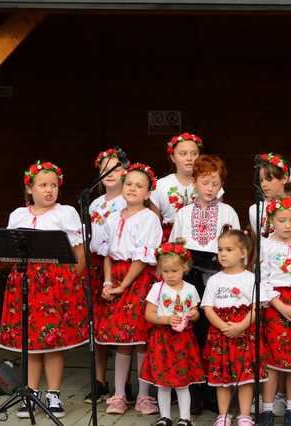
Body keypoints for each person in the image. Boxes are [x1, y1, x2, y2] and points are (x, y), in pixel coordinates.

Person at [0, 161, 87, 419]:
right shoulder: (18, 215)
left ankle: (54, 394)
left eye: (54, 185)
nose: (49, 190)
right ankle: (31, 393)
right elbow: (10, 250)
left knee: (52, 342)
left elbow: (79, 252)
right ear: (30, 189)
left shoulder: (66, 213)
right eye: (43, 185)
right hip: (26, 282)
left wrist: (71, 282)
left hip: (56, 284)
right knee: (30, 342)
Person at [169, 153, 239, 414]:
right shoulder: (184, 213)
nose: (211, 189)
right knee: (190, 336)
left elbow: (234, 247)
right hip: (190, 281)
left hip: (217, 281)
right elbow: (175, 248)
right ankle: (193, 392)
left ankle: (214, 392)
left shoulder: (228, 211)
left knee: (214, 336)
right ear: (195, 182)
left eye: (216, 183)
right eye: (205, 182)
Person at [95, 163, 163, 416]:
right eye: (129, 184)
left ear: (147, 193)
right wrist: (107, 282)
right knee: (122, 339)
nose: (133, 188)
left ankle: (145, 395)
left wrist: (124, 285)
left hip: (139, 279)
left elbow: (143, 258)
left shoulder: (149, 218)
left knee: (141, 339)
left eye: (139, 186)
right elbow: (107, 254)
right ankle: (119, 393)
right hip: (117, 278)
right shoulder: (113, 217)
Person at [201, 227, 268, 426]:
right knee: (222, 377)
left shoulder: (251, 279)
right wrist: (223, 326)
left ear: (243, 253)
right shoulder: (214, 280)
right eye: (220, 249)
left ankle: (245, 415)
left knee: (245, 376)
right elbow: (208, 308)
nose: (222, 254)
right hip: (221, 333)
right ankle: (223, 415)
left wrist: (240, 326)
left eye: (228, 250)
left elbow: (257, 308)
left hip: (245, 333)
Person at [259, 196, 291, 426]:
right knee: (272, 361)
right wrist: (279, 305)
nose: (287, 225)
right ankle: (268, 409)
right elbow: (260, 280)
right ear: (272, 219)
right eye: (282, 220)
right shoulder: (265, 245)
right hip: (275, 304)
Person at [140, 241, 205, 426]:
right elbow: (149, 315)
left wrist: (193, 315)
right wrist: (167, 319)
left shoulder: (190, 289)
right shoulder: (157, 288)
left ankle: (185, 418)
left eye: (174, 271)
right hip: (163, 340)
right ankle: (165, 416)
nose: (169, 275)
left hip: (183, 340)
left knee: (183, 382)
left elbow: (196, 312)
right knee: (163, 382)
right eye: (165, 271)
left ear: (184, 268)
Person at [86, 148, 128, 404]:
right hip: (96, 264)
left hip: (119, 264)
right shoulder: (94, 203)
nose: (109, 174)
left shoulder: (129, 198)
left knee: (123, 324)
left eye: (114, 168)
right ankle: (100, 379)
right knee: (98, 324)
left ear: (124, 170)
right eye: (104, 169)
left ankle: (124, 386)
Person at [151, 132, 224, 242]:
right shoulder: (160, 185)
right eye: (183, 154)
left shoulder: (211, 182)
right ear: (172, 157)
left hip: (202, 239)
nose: (189, 158)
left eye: (194, 154)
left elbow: (219, 215)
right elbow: (153, 222)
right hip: (171, 242)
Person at [250, 152, 291, 242]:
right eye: (261, 180)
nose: (264, 184)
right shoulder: (255, 210)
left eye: (269, 179)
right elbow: (258, 244)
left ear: (284, 179)